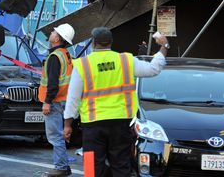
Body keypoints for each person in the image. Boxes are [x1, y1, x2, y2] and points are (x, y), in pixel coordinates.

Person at [63, 27, 169, 177]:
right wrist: (164, 46)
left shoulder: (83, 64)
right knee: (121, 166)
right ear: (111, 42)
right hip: (121, 124)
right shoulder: (126, 60)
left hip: (92, 126)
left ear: (93, 43)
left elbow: (73, 98)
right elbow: (153, 69)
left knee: (91, 167)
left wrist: (67, 125)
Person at [39, 23, 76, 177]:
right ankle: (64, 166)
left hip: (55, 101)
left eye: (54, 32)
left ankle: (60, 167)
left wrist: (47, 102)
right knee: (60, 135)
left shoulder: (55, 57)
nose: (52, 33)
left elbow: (53, 83)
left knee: (55, 136)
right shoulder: (65, 53)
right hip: (63, 100)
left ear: (58, 39)